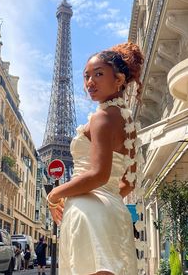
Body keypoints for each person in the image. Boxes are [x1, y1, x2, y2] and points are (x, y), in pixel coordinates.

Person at [47, 42, 144, 275]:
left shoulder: (102, 117)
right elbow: (127, 183)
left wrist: (54, 195)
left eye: (99, 74)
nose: (90, 82)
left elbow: (98, 174)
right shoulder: (126, 121)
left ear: (119, 79)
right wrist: (106, 194)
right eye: (86, 76)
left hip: (87, 213)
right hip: (113, 211)